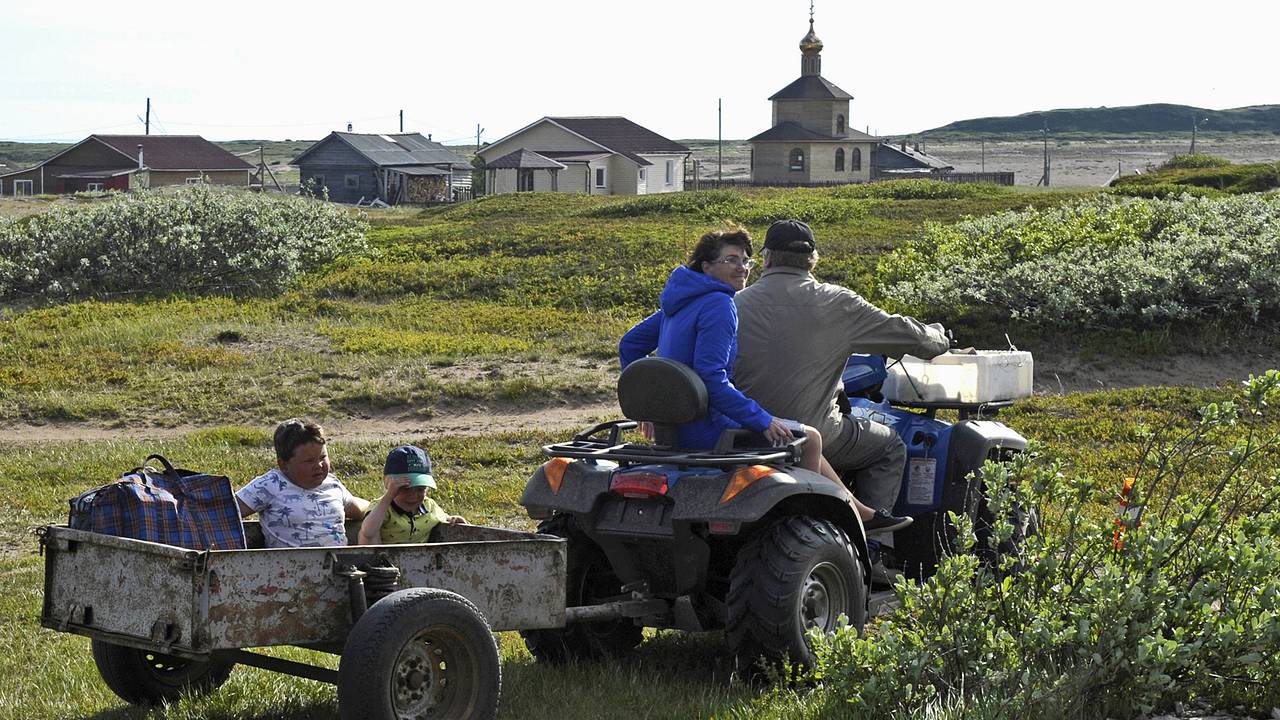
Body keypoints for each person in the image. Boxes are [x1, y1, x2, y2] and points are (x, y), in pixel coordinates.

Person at [620, 223, 911, 533]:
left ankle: (861, 513)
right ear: (707, 266)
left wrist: (649, 409)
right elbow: (711, 380)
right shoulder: (720, 304)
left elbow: (630, 344)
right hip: (708, 430)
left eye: (746, 260)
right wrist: (762, 420)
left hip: (675, 430)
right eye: (731, 260)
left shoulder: (680, 301)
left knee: (801, 433)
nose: (742, 268)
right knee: (809, 438)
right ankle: (806, 529)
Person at [733, 219, 950, 577]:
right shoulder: (837, 303)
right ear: (812, 260)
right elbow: (906, 334)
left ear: (768, 258)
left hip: (741, 434)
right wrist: (938, 338)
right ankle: (872, 551)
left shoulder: (736, 304)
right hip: (810, 433)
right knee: (889, 446)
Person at [235, 418, 370, 548]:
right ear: (284, 465)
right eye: (309, 461)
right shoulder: (271, 484)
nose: (318, 465)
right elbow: (226, 510)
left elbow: (358, 509)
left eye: (323, 457)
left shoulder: (332, 484)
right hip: (289, 568)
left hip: (338, 566)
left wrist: (381, 504)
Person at [359, 444, 467, 545]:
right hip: (383, 560)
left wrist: (453, 519)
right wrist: (388, 497)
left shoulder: (429, 506)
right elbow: (368, 532)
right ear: (388, 485)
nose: (413, 495)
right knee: (366, 536)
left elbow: (443, 518)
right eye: (405, 489)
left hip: (419, 560)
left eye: (421, 489)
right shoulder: (383, 508)